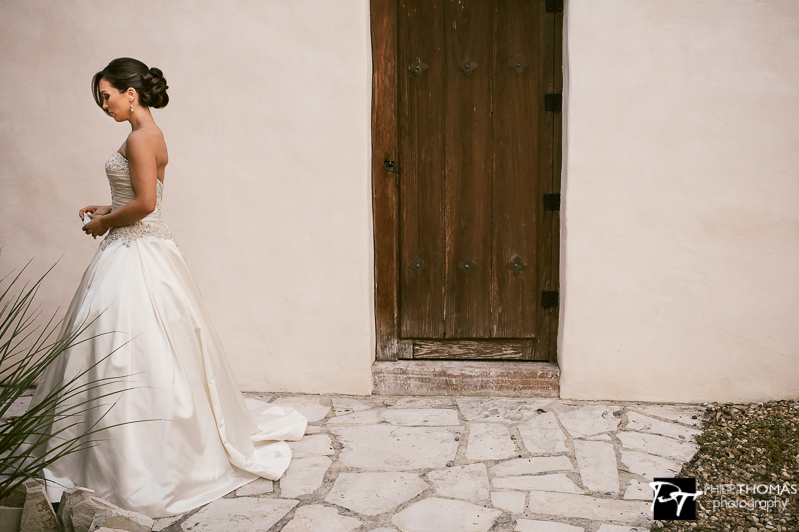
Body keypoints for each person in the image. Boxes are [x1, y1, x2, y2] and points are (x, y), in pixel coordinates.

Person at [27, 57, 307, 518]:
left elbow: (145, 204)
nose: (103, 105)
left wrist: (103, 225)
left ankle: (136, 458)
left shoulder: (140, 137)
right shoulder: (148, 135)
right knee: (135, 346)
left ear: (130, 93)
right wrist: (106, 208)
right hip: (141, 247)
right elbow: (137, 196)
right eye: (100, 99)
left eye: (107, 95)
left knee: (127, 342)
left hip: (135, 251)